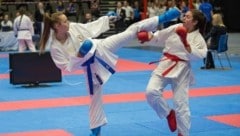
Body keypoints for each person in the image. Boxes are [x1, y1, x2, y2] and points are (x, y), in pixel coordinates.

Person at [39, 9, 181, 136]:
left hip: (101, 48)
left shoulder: (74, 28)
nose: (68, 22)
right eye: (65, 21)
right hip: (90, 67)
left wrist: (106, 19)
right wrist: (80, 55)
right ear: (57, 26)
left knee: (131, 31)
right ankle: (96, 130)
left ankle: (163, 17)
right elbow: (65, 67)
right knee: (95, 100)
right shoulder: (56, 48)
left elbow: (90, 28)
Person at [138, 9, 207, 136]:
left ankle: (183, 133)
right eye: (184, 16)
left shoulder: (198, 38)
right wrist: (148, 37)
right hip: (165, 64)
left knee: (181, 104)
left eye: (187, 17)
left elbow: (201, 55)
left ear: (195, 22)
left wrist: (185, 42)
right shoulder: (176, 27)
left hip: (182, 70)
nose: (184, 18)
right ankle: (169, 113)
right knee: (151, 92)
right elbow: (159, 36)